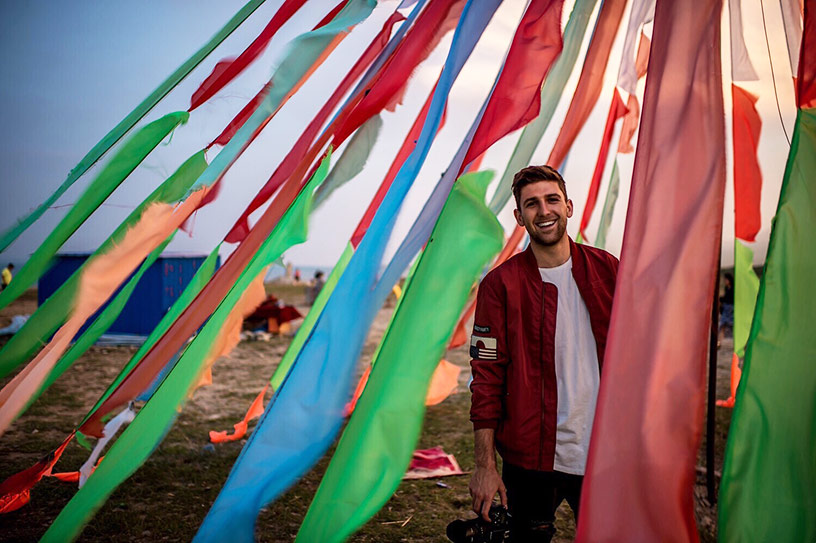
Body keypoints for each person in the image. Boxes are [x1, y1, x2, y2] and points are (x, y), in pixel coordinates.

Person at [468, 166, 618, 542]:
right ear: (519, 217)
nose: (544, 211)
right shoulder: (500, 285)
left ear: (568, 206)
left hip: (605, 450)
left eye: (552, 200)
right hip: (529, 458)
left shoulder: (609, 270)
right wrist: (485, 464)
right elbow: (485, 376)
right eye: (531, 204)